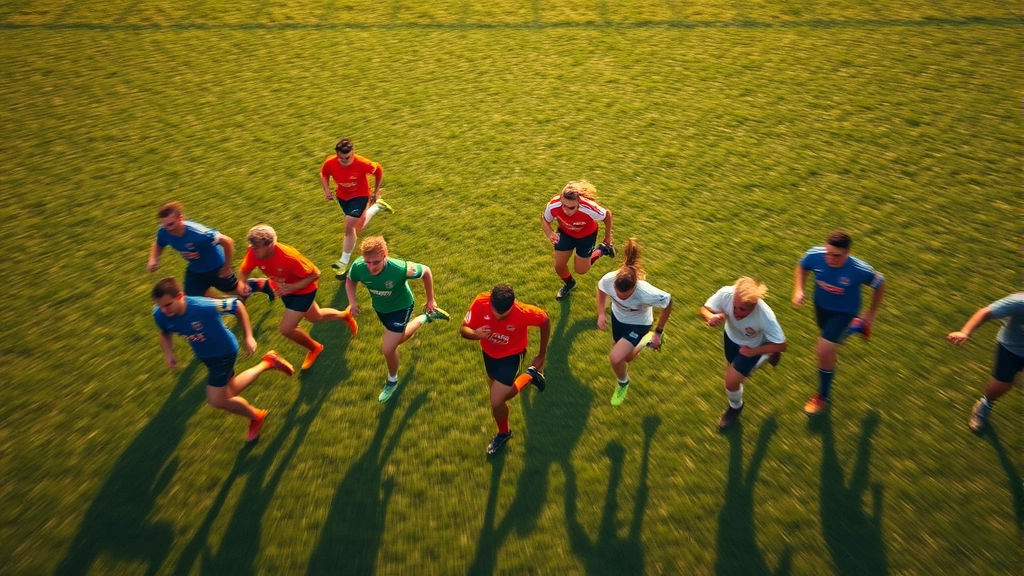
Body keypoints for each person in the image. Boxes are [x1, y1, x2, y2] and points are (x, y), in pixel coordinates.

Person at [151, 277, 294, 443]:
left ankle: (256, 416)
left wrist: (248, 336)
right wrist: (168, 353)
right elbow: (164, 333)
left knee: (216, 400)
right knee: (230, 391)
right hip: (205, 355)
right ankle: (269, 361)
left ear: (180, 297)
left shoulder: (202, 307)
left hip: (223, 352)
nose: (164, 310)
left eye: (168, 305)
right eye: (160, 306)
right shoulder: (161, 314)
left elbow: (237, 305)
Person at [238, 225, 357, 371]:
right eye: (252, 246)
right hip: (285, 290)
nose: (253, 250)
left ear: (270, 245)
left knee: (286, 329)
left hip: (304, 291)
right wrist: (243, 282)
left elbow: (316, 274)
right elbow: (245, 270)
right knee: (315, 316)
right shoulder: (254, 252)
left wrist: (292, 288)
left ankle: (315, 348)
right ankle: (344, 315)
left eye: (257, 247)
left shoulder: (289, 258)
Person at [345, 236, 450, 402]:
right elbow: (350, 280)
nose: (371, 267)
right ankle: (427, 317)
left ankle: (391, 381)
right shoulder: (359, 266)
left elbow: (426, 272)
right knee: (398, 339)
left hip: (401, 307)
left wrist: (431, 300)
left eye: (376, 262)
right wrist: (352, 301)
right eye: (368, 262)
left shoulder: (400, 269)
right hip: (380, 309)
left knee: (388, 349)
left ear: (385, 255)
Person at [792, 230, 885, 415]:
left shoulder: (859, 269)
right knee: (829, 345)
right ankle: (857, 327)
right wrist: (799, 289)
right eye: (828, 253)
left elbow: (880, 283)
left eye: (836, 256)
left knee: (823, 350)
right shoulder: (815, 255)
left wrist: (871, 312)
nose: (830, 259)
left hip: (845, 312)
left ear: (847, 252)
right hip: (821, 307)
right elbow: (802, 266)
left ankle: (822, 396)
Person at [461, 285, 550, 455]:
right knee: (499, 394)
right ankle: (531, 375)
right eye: (495, 312)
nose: (498, 317)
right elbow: (463, 329)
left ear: (513, 304)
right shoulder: (480, 302)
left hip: (512, 356)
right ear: (491, 301)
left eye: (504, 315)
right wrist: (476, 334)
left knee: (496, 400)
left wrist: (542, 353)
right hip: (488, 354)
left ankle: (504, 433)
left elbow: (544, 320)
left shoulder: (524, 312)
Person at [701, 277, 788, 429]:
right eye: (735, 307)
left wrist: (754, 351)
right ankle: (764, 357)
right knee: (732, 371)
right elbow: (704, 309)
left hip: (752, 348)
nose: (736, 313)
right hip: (730, 339)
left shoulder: (765, 315)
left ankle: (735, 408)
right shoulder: (727, 294)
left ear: (754, 305)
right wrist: (711, 317)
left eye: (742, 309)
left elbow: (781, 344)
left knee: (730, 382)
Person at [596, 239, 672, 406]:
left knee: (615, 358)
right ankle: (647, 340)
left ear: (635, 287)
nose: (621, 298)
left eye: (627, 296)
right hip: (618, 320)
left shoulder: (646, 292)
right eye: (618, 294)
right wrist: (601, 313)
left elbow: (668, 302)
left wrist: (659, 331)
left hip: (639, 324)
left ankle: (623, 383)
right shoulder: (609, 280)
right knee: (627, 358)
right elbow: (601, 289)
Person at [145, 201, 273, 299]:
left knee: (234, 290)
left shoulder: (199, 233)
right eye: (164, 225)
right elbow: (159, 244)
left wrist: (227, 267)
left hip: (216, 266)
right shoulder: (164, 231)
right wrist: (153, 259)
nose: (168, 229)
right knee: (193, 296)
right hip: (195, 268)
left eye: (171, 224)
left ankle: (262, 285)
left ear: (180, 219)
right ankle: (227, 306)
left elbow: (227, 241)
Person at [947, 293, 1024, 432]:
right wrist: (965, 332)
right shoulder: (1018, 302)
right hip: (1012, 351)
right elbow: (985, 312)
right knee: (1000, 387)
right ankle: (985, 404)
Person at [319, 138, 393, 277]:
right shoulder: (330, 162)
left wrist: (376, 191)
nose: (344, 161)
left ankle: (343, 262)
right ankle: (377, 207)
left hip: (360, 196)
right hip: (342, 197)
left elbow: (379, 170)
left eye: (347, 158)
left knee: (349, 227)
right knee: (357, 227)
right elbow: (324, 173)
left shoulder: (363, 163)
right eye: (341, 158)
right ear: (337, 155)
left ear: (353, 152)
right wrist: (326, 190)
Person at [541, 181, 615, 300]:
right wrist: (549, 232)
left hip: (586, 236)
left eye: (571, 207)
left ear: (579, 202)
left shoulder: (588, 207)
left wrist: (608, 237)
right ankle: (569, 284)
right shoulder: (553, 205)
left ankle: (602, 249)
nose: (566, 210)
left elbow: (607, 215)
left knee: (581, 270)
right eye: (563, 205)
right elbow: (545, 219)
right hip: (565, 234)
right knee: (559, 266)